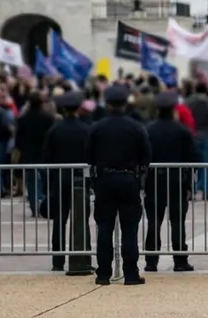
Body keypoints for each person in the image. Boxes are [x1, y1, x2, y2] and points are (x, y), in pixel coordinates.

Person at [86, 83, 151, 286]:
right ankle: (131, 273)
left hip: (104, 180)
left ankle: (103, 274)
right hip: (128, 179)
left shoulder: (97, 127)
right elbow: (146, 156)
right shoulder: (136, 127)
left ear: (107, 104)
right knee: (130, 229)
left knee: (104, 228)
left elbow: (88, 155)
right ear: (125, 104)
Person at [143, 90, 199, 273]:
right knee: (177, 222)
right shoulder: (182, 130)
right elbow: (194, 158)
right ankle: (180, 260)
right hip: (177, 180)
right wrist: (189, 182)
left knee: (153, 222)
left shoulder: (149, 129)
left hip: (154, 181)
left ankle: (151, 261)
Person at [42, 90, 92, 272]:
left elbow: (47, 156)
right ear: (78, 109)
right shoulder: (86, 130)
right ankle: (83, 257)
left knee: (59, 221)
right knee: (81, 220)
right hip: (80, 179)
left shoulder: (54, 130)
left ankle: (58, 260)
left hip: (60, 178)